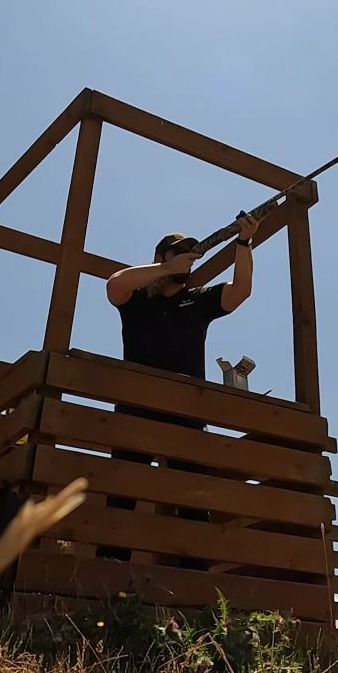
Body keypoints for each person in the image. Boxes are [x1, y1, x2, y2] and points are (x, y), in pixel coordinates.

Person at [95, 214, 261, 567]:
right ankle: (106, 580)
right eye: (180, 251)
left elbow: (240, 291)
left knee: (192, 500)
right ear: (161, 257)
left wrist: (244, 244)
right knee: (122, 496)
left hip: (186, 416)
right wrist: (162, 270)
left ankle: (195, 589)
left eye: (192, 251)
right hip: (136, 412)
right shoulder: (138, 300)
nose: (190, 255)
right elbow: (114, 284)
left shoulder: (198, 300)